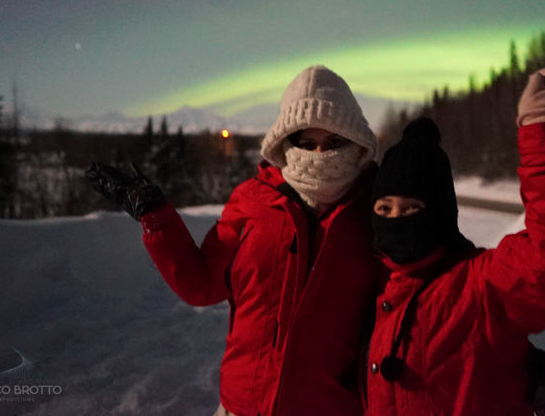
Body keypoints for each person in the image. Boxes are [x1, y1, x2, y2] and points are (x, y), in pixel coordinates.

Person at [87, 65, 381, 416]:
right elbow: (202, 284)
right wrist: (156, 215)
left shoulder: (375, 210)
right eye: (306, 143)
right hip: (242, 407)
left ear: (356, 140)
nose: (320, 156)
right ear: (286, 142)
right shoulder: (253, 202)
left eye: (334, 142)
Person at [365, 68, 545, 416]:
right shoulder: (370, 286)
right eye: (384, 208)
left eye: (412, 208)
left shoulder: (480, 287)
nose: (396, 218)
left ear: (440, 213)